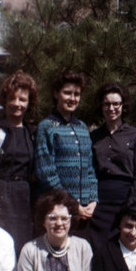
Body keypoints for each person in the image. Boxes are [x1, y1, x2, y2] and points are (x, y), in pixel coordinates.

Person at [0, 70, 38, 255]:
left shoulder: (32, 132)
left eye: (22, 100)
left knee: (22, 245)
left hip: (24, 197)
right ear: (5, 100)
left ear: (29, 103)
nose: (17, 104)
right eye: (13, 98)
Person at [35, 71, 98, 225]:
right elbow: (46, 173)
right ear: (56, 93)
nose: (72, 98)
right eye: (67, 93)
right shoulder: (46, 126)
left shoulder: (82, 127)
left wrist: (93, 200)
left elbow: (90, 169)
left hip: (86, 211)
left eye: (76, 94)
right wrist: (72, 204)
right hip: (58, 211)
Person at [90, 83, 136, 250]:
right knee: (99, 248)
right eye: (106, 104)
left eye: (116, 104)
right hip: (99, 202)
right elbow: (89, 172)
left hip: (125, 199)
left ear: (123, 106)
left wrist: (129, 204)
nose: (111, 108)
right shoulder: (93, 136)